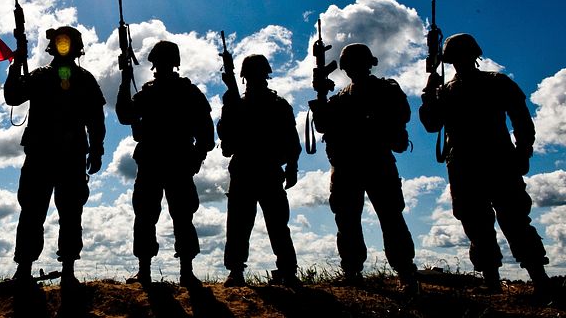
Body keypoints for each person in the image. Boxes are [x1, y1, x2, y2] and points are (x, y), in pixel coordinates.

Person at [420, 33, 552, 299]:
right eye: (456, 58)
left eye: (463, 56)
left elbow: (521, 119)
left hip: (497, 160)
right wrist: (429, 92)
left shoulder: (496, 82)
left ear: (474, 55)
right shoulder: (445, 91)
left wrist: (523, 151)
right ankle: (493, 281)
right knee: (476, 225)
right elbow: (432, 124)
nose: (460, 62)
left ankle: (539, 279)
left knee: (514, 221)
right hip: (466, 165)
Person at [309, 43, 419, 293]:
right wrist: (321, 96)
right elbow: (323, 126)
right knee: (346, 219)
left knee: (391, 217)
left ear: (368, 64)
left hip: (376, 160)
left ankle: (405, 272)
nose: (352, 69)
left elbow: (401, 114)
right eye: (349, 64)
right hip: (346, 164)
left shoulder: (385, 89)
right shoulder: (340, 96)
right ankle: (352, 271)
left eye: (356, 63)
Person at [4, 26, 106, 287]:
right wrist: (17, 61)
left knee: (70, 213)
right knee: (32, 211)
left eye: (66, 42)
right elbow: (13, 95)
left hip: (70, 157)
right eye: (59, 42)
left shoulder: (85, 79)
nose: (63, 47)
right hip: (41, 155)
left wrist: (96, 149)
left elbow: (96, 119)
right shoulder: (39, 76)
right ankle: (24, 268)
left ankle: (68, 270)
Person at [116, 40, 214, 287]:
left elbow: (206, 135)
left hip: (174, 162)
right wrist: (125, 78)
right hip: (156, 162)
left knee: (177, 216)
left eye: (162, 62)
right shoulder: (155, 93)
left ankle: (183, 272)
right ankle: (151, 271)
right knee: (150, 216)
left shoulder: (187, 93)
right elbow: (125, 115)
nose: (160, 66)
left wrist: (196, 157)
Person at [217, 54, 300, 288]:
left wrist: (292, 165)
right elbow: (226, 137)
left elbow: (291, 140)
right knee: (240, 224)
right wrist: (229, 104)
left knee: (275, 223)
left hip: (267, 168)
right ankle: (236, 269)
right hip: (246, 168)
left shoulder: (278, 105)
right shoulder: (237, 103)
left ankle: (287, 270)